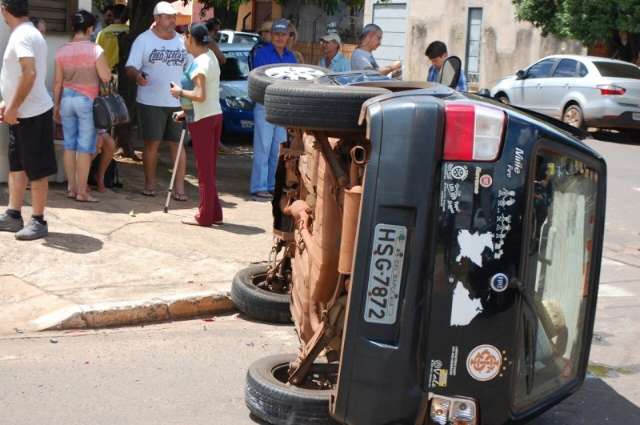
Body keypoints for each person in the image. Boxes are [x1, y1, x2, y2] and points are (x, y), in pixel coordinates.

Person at [0, 0, 57, 240]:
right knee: (17, 166)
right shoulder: (27, 32)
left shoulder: (22, 35)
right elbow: (18, 74)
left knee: (37, 169)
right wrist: (8, 104)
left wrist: (12, 106)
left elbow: (29, 73)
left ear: (4, 9)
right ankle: (14, 214)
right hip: (22, 115)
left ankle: (38, 220)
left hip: (33, 114)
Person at [125, 1, 189, 199]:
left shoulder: (182, 41)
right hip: (150, 102)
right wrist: (137, 76)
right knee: (152, 143)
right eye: (168, 17)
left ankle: (179, 188)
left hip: (177, 104)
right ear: (157, 19)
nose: (172, 21)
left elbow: (192, 68)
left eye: (174, 17)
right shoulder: (143, 40)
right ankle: (150, 185)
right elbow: (130, 67)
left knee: (177, 144)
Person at [54, 10, 112, 203]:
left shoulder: (62, 50)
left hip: (66, 101)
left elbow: (57, 83)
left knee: (69, 145)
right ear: (89, 29)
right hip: (86, 101)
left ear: (73, 28)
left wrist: (56, 108)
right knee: (85, 148)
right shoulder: (95, 50)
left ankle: (71, 188)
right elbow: (106, 76)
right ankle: (82, 191)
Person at [170, 23, 223, 226]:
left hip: (203, 120)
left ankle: (204, 216)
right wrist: (185, 111)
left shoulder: (200, 63)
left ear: (191, 39)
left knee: (204, 171)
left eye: (185, 37)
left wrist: (179, 93)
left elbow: (200, 95)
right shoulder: (210, 57)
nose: (183, 40)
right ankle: (214, 212)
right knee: (209, 169)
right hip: (212, 115)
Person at [250, 18, 296, 201]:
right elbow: (261, 78)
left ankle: (272, 185)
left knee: (278, 149)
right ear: (271, 36)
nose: (279, 37)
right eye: (276, 34)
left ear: (288, 37)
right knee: (263, 147)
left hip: (282, 107)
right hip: (265, 104)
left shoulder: (291, 57)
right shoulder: (261, 53)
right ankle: (259, 187)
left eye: (282, 34)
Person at [96, 4, 129, 70]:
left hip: (107, 72)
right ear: (128, 17)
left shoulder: (102, 33)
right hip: (126, 72)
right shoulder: (131, 32)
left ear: (113, 15)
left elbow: (97, 55)